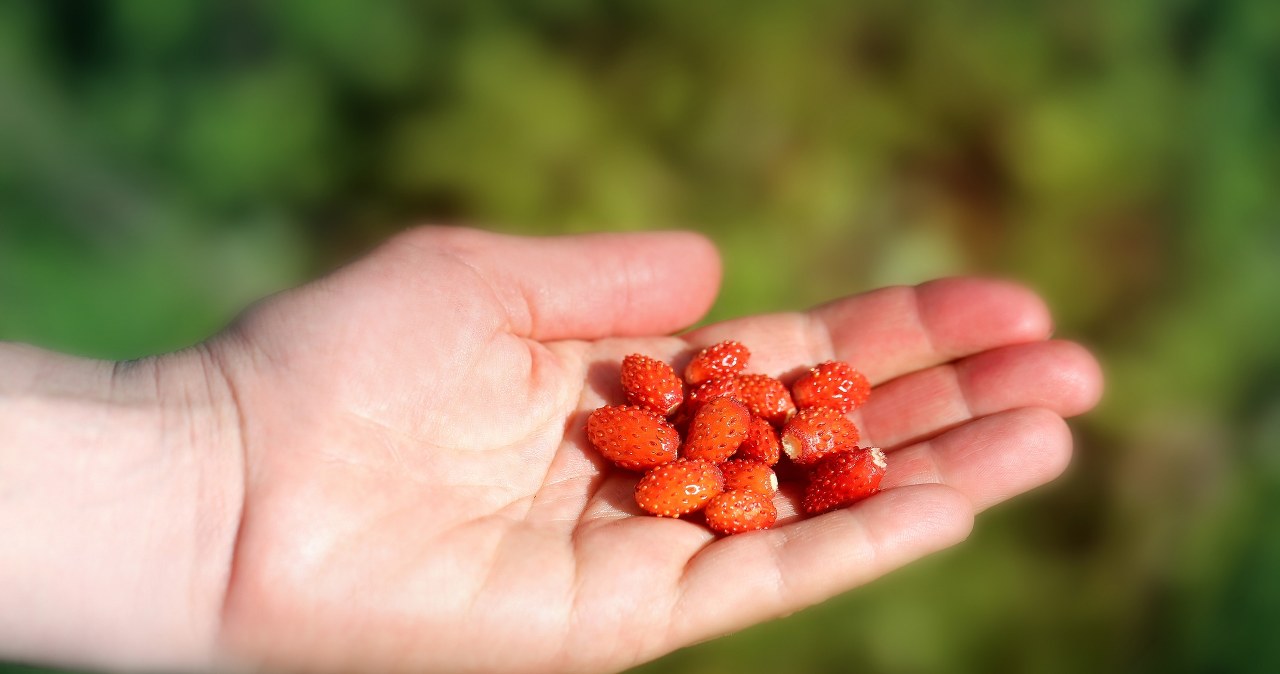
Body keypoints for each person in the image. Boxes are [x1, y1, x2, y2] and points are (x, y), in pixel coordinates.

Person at [0, 227, 1103, 674]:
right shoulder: (694, 426)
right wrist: (220, 467)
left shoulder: (739, 431)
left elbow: (745, 444)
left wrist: (216, 470)